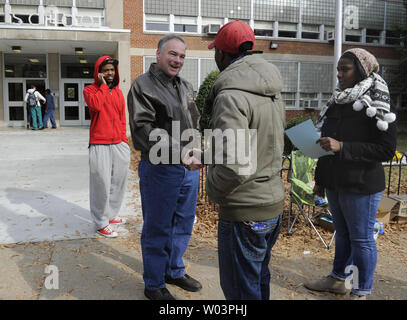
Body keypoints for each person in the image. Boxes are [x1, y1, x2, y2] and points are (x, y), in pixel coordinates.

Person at [304, 48, 397, 299]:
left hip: (361, 184)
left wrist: (343, 147)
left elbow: (387, 149)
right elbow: (326, 143)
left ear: (362, 70)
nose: (339, 74)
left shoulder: (378, 102)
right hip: (335, 181)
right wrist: (321, 182)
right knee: (342, 234)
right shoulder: (338, 100)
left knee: (362, 239)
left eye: (345, 69)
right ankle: (338, 279)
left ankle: (361, 290)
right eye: (338, 69)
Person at [205, 20, 286, 300]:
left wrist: (212, 189)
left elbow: (235, 164)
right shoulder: (273, 90)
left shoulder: (231, 95)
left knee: (240, 290)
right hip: (272, 204)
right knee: (258, 279)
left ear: (223, 54)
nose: (214, 56)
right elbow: (263, 144)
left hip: (244, 210)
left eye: (215, 51)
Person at [128, 34, 203, 300]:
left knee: (183, 223)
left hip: (186, 170)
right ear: (158, 54)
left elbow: (193, 124)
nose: (177, 60)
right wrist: (183, 152)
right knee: (158, 227)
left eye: (182, 56)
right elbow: (142, 131)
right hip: (160, 169)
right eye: (173, 54)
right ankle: (154, 283)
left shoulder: (185, 86)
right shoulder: (143, 86)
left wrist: (195, 151)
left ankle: (174, 270)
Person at [83, 56, 130, 238]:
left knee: (118, 182)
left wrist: (124, 139)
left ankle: (110, 215)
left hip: (118, 142)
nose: (110, 73)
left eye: (112, 70)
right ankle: (100, 222)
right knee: (101, 183)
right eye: (106, 70)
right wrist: (103, 86)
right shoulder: (90, 90)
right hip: (99, 143)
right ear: (99, 72)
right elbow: (96, 105)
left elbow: (121, 117)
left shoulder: (118, 92)